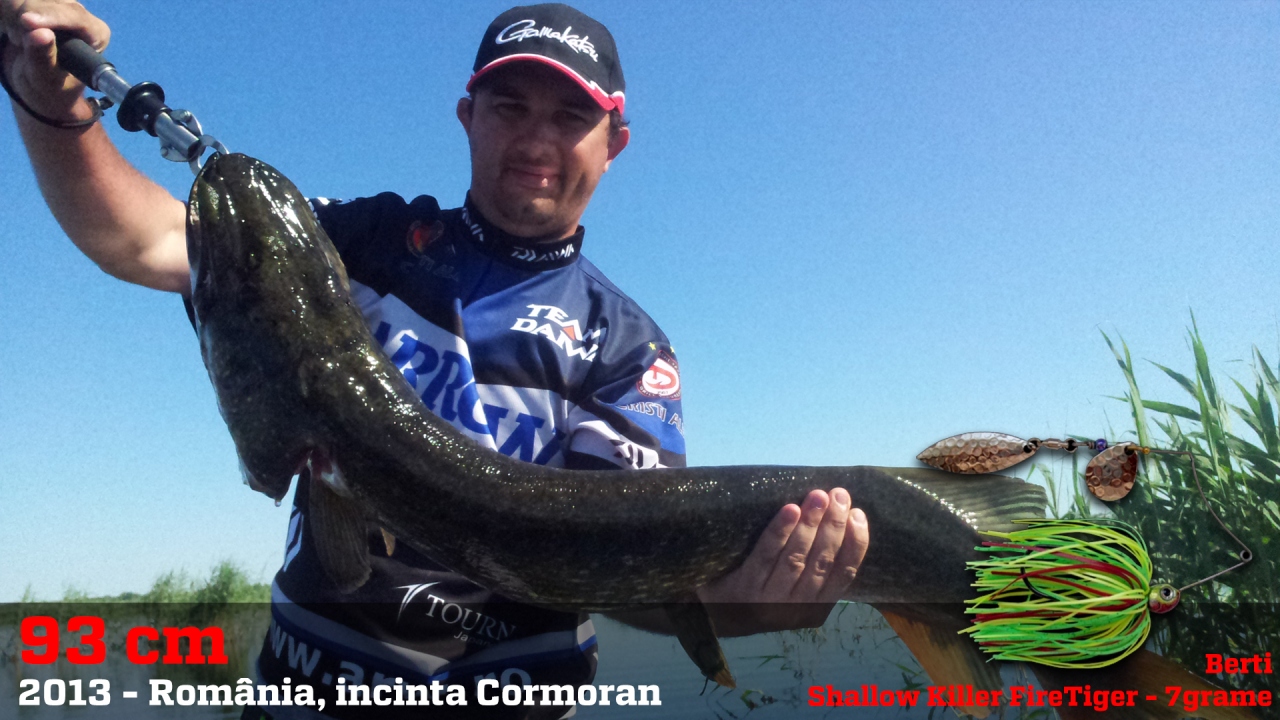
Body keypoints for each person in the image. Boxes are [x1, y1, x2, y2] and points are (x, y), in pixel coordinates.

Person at [3, 2, 870, 717]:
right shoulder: (361, 241)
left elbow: (628, 574)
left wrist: (751, 608)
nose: (536, 140)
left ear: (614, 143)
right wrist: (48, 96)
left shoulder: (628, 347)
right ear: (467, 117)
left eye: (571, 117)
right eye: (510, 107)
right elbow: (143, 239)